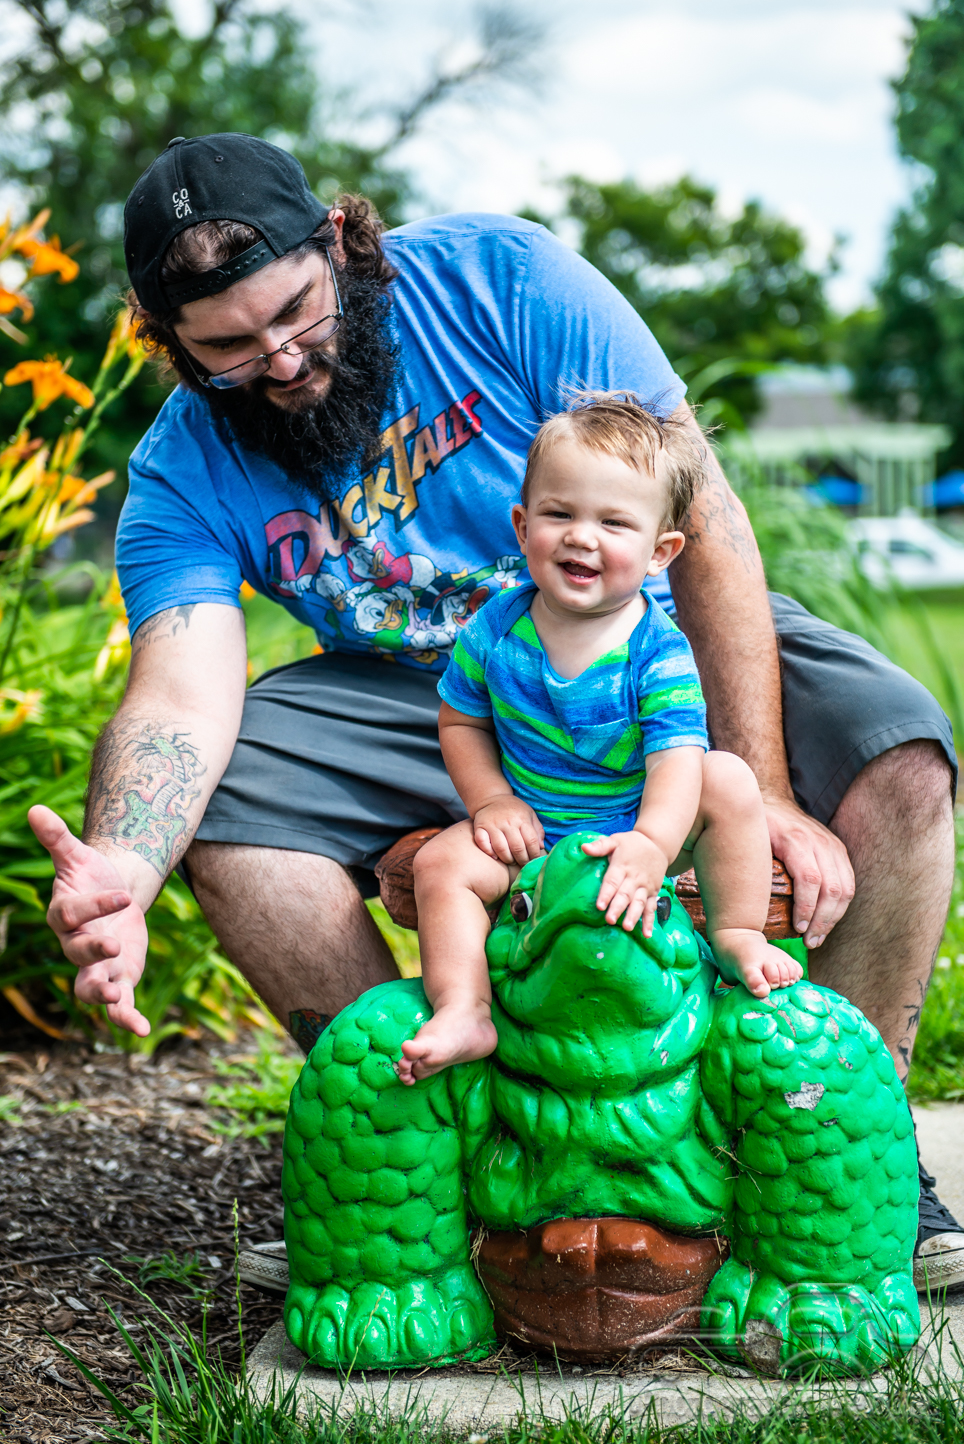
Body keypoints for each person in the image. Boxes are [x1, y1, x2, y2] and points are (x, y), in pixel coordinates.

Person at [24, 132, 961, 1292]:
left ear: (338, 243)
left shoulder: (504, 281)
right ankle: (440, 1159)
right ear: (165, 340)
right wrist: (125, 863)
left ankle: (849, 1146)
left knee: (897, 749)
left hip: (635, 632)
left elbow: (704, 515)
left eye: (298, 313)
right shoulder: (181, 472)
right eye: (226, 347)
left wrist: (758, 780)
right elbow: (180, 686)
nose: (280, 360)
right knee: (230, 809)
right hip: (430, 698)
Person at [398, 395, 802, 1084]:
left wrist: (652, 844)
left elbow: (675, 760)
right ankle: (465, 1007)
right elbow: (461, 721)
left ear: (659, 552)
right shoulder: (495, 629)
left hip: (637, 824)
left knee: (728, 778)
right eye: (559, 514)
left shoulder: (657, 651)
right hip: (534, 836)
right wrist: (492, 801)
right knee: (440, 865)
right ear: (523, 525)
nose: (581, 538)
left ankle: (737, 932)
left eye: (614, 523)